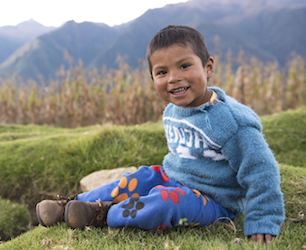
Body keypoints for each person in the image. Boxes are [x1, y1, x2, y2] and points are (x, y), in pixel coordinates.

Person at [36, 25, 285, 243]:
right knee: (141, 177)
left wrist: (262, 217)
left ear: (208, 67)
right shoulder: (173, 110)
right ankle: (70, 205)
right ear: (152, 77)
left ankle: (101, 215)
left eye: (185, 66)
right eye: (162, 72)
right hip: (172, 177)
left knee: (168, 201)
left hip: (214, 200)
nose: (174, 79)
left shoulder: (232, 123)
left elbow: (261, 170)